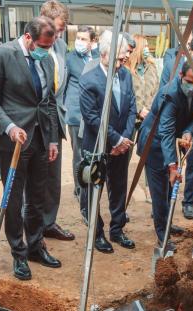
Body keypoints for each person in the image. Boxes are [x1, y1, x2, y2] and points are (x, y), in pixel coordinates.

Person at [0, 17, 63, 280]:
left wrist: (52, 139)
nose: (46, 51)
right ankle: (18, 253)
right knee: (14, 200)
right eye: (42, 45)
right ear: (28, 37)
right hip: (13, 142)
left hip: (40, 138)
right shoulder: (2, 55)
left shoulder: (47, 59)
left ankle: (35, 246)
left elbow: (49, 102)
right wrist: (9, 127)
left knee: (37, 199)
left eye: (50, 46)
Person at [138, 59, 193, 250]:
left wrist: (187, 132)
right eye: (190, 81)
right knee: (160, 192)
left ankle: (167, 223)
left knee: (170, 190)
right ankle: (162, 235)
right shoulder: (170, 94)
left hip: (172, 142)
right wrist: (172, 166)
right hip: (154, 144)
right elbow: (166, 131)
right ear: (180, 76)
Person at [79, 30, 137, 253]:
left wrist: (125, 138)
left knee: (119, 188)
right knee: (95, 191)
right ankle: (97, 233)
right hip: (98, 146)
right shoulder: (89, 79)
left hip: (121, 145)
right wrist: (115, 139)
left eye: (125, 58)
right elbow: (92, 117)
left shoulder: (126, 75)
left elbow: (132, 106)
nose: (123, 62)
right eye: (120, 58)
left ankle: (117, 229)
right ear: (105, 54)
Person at [160, 34, 193, 221]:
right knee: (170, 164)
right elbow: (163, 96)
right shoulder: (173, 67)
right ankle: (163, 204)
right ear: (189, 51)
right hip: (173, 125)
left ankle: (188, 202)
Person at [40, 0, 75, 242]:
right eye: (58, 28)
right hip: (33, 124)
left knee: (53, 178)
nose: (60, 33)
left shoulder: (61, 47)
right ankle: (32, 229)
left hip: (56, 121)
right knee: (34, 179)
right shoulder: (33, 46)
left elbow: (62, 85)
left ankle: (48, 223)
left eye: (63, 29)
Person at [65, 25, 99, 201]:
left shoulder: (99, 58)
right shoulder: (70, 59)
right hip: (76, 115)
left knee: (93, 152)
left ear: (93, 41)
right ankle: (80, 188)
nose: (79, 42)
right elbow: (63, 86)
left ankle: (92, 180)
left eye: (84, 39)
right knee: (78, 154)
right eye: (78, 38)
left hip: (94, 115)